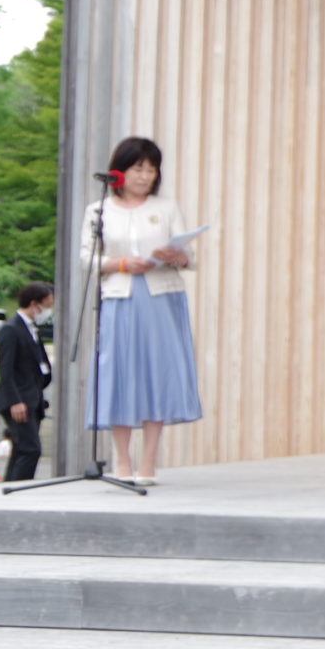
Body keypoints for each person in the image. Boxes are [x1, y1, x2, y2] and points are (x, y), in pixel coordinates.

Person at [84, 137, 202, 486]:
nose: (145, 176)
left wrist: (176, 256)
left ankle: (148, 462)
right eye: (138, 168)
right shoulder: (99, 210)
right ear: (121, 170)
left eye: (151, 169)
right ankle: (122, 460)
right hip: (120, 296)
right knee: (119, 373)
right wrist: (121, 263)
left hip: (161, 296)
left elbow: (189, 256)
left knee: (156, 374)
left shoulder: (166, 208)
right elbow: (86, 257)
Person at [0, 281, 54, 483]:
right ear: (34, 304)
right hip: (19, 400)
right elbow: (6, 370)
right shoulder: (11, 329)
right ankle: (18, 489)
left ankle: (10, 487)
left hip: (33, 398)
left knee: (21, 449)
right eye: (47, 305)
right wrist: (15, 401)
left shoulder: (31, 329)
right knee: (30, 449)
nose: (49, 311)